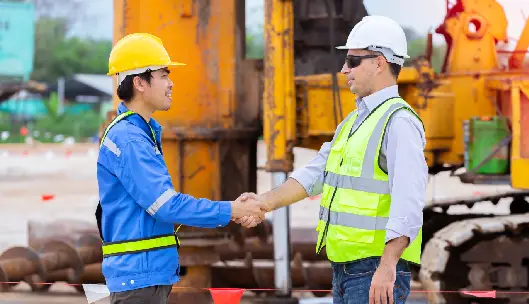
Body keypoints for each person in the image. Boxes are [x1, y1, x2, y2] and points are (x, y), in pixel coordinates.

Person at [238, 15, 428, 304]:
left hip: (374, 267)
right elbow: (314, 175)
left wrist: (388, 267)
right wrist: (264, 202)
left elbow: (408, 202)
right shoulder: (353, 122)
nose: (343, 69)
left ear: (379, 62)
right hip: (346, 268)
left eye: (352, 61)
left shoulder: (399, 122)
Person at [96, 33, 267, 304]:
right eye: (164, 75)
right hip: (139, 280)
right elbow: (166, 206)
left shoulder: (139, 133)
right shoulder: (130, 139)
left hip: (144, 276)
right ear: (139, 82)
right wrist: (232, 210)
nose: (171, 84)